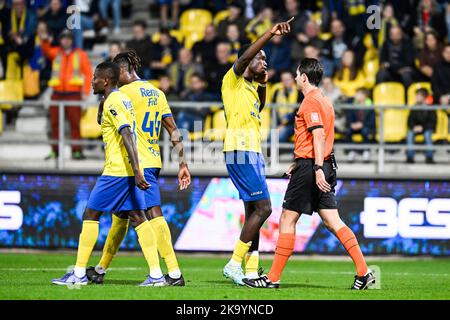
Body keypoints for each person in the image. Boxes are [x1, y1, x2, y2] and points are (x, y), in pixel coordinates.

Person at [243, 58, 375, 290]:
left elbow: (318, 136)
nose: (294, 78)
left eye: (296, 75)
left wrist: (313, 168)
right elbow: (316, 138)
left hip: (313, 167)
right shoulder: (323, 100)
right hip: (322, 163)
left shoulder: (310, 102)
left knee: (287, 218)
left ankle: (273, 278)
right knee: (332, 221)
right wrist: (300, 162)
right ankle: (364, 273)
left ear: (304, 77)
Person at [52, 61, 166, 287]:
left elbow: (126, 134)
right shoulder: (119, 98)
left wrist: (136, 170)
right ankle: (156, 275)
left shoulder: (114, 100)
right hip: (126, 171)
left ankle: (79, 273)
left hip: (116, 172)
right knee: (138, 219)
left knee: (90, 214)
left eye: (94, 78)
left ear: (104, 81)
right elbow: (104, 123)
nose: (91, 81)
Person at [85, 51, 191, 286]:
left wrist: (103, 102)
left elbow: (105, 121)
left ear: (122, 71)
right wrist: (183, 162)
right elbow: (173, 130)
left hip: (135, 165)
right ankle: (101, 268)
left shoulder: (120, 94)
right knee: (122, 215)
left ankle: (173, 273)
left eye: (115, 72)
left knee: (152, 213)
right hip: (154, 159)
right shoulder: (157, 92)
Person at [221, 17, 294, 286]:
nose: (264, 61)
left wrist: (263, 82)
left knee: (254, 212)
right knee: (264, 208)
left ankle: (251, 272)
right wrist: (270, 34)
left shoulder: (251, 88)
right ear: (246, 59)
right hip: (239, 151)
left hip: (252, 153)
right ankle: (233, 264)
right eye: (259, 57)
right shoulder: (233, 79)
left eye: (266, 59)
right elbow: (247, 56)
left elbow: (260, 106)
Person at [40, 29, 93, 160]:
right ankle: (55, 151)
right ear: (60, 40)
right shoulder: (56, 52)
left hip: (74, 94)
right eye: (63, 38)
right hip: (56, 94)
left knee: (75, 124)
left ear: (72, 40)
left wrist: (85, 92)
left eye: (68, 38)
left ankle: (77, 152)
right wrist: (45, 40)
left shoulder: (81, 54)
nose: (66, 40)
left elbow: (88, 74)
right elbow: (46, 51)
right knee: (55, 124)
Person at [406, 88, 437, 164]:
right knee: (410, 134)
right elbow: (409, 121)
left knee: (427, 134)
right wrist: (414, 127)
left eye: (418, 96)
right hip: (416, 129)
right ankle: (410, 157)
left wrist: (423, 127)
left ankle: (429, 157)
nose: (416, 97)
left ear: (424, 97)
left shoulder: (430, 108)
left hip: (427, 128)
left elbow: (432, 122)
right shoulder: (414, 107)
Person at [345, 88, 375, 163]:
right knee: (348, 131)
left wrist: (362, 124)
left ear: (364, 96)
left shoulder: (370, 105)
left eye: (358, 94)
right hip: (355, 126)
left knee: (365, 131)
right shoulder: (353, 104)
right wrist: (352, 124)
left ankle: (366, 151)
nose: (355, 95)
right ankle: (352, 151)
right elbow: (349, 117)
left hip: (366, 126)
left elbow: (372, 120)